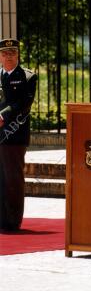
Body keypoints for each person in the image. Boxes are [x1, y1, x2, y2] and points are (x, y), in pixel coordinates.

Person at [0, 38, 37, 231]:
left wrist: (2, 115)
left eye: (12, 53)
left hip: (14, 135)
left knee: (13, 179)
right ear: (0, 56)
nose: (8, 57)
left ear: (18, 55)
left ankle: (12, 221)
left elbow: (23, 104)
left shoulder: (28, 77)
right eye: (5, 53)